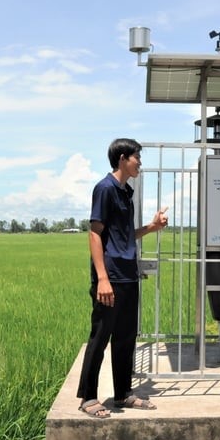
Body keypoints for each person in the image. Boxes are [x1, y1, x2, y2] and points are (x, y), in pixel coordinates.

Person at [77, 138, 168, 418]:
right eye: (137, 157)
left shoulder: (126, 192)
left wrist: (151, 228)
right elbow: (95, 233)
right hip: (111, 277)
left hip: (128, 275)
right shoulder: (104, 189)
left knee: (126, 338)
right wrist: (102, 278)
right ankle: (88, 397)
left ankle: (123, 394)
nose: (140, 162)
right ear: (123, 158)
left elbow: (126, 236)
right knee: (100, 336)